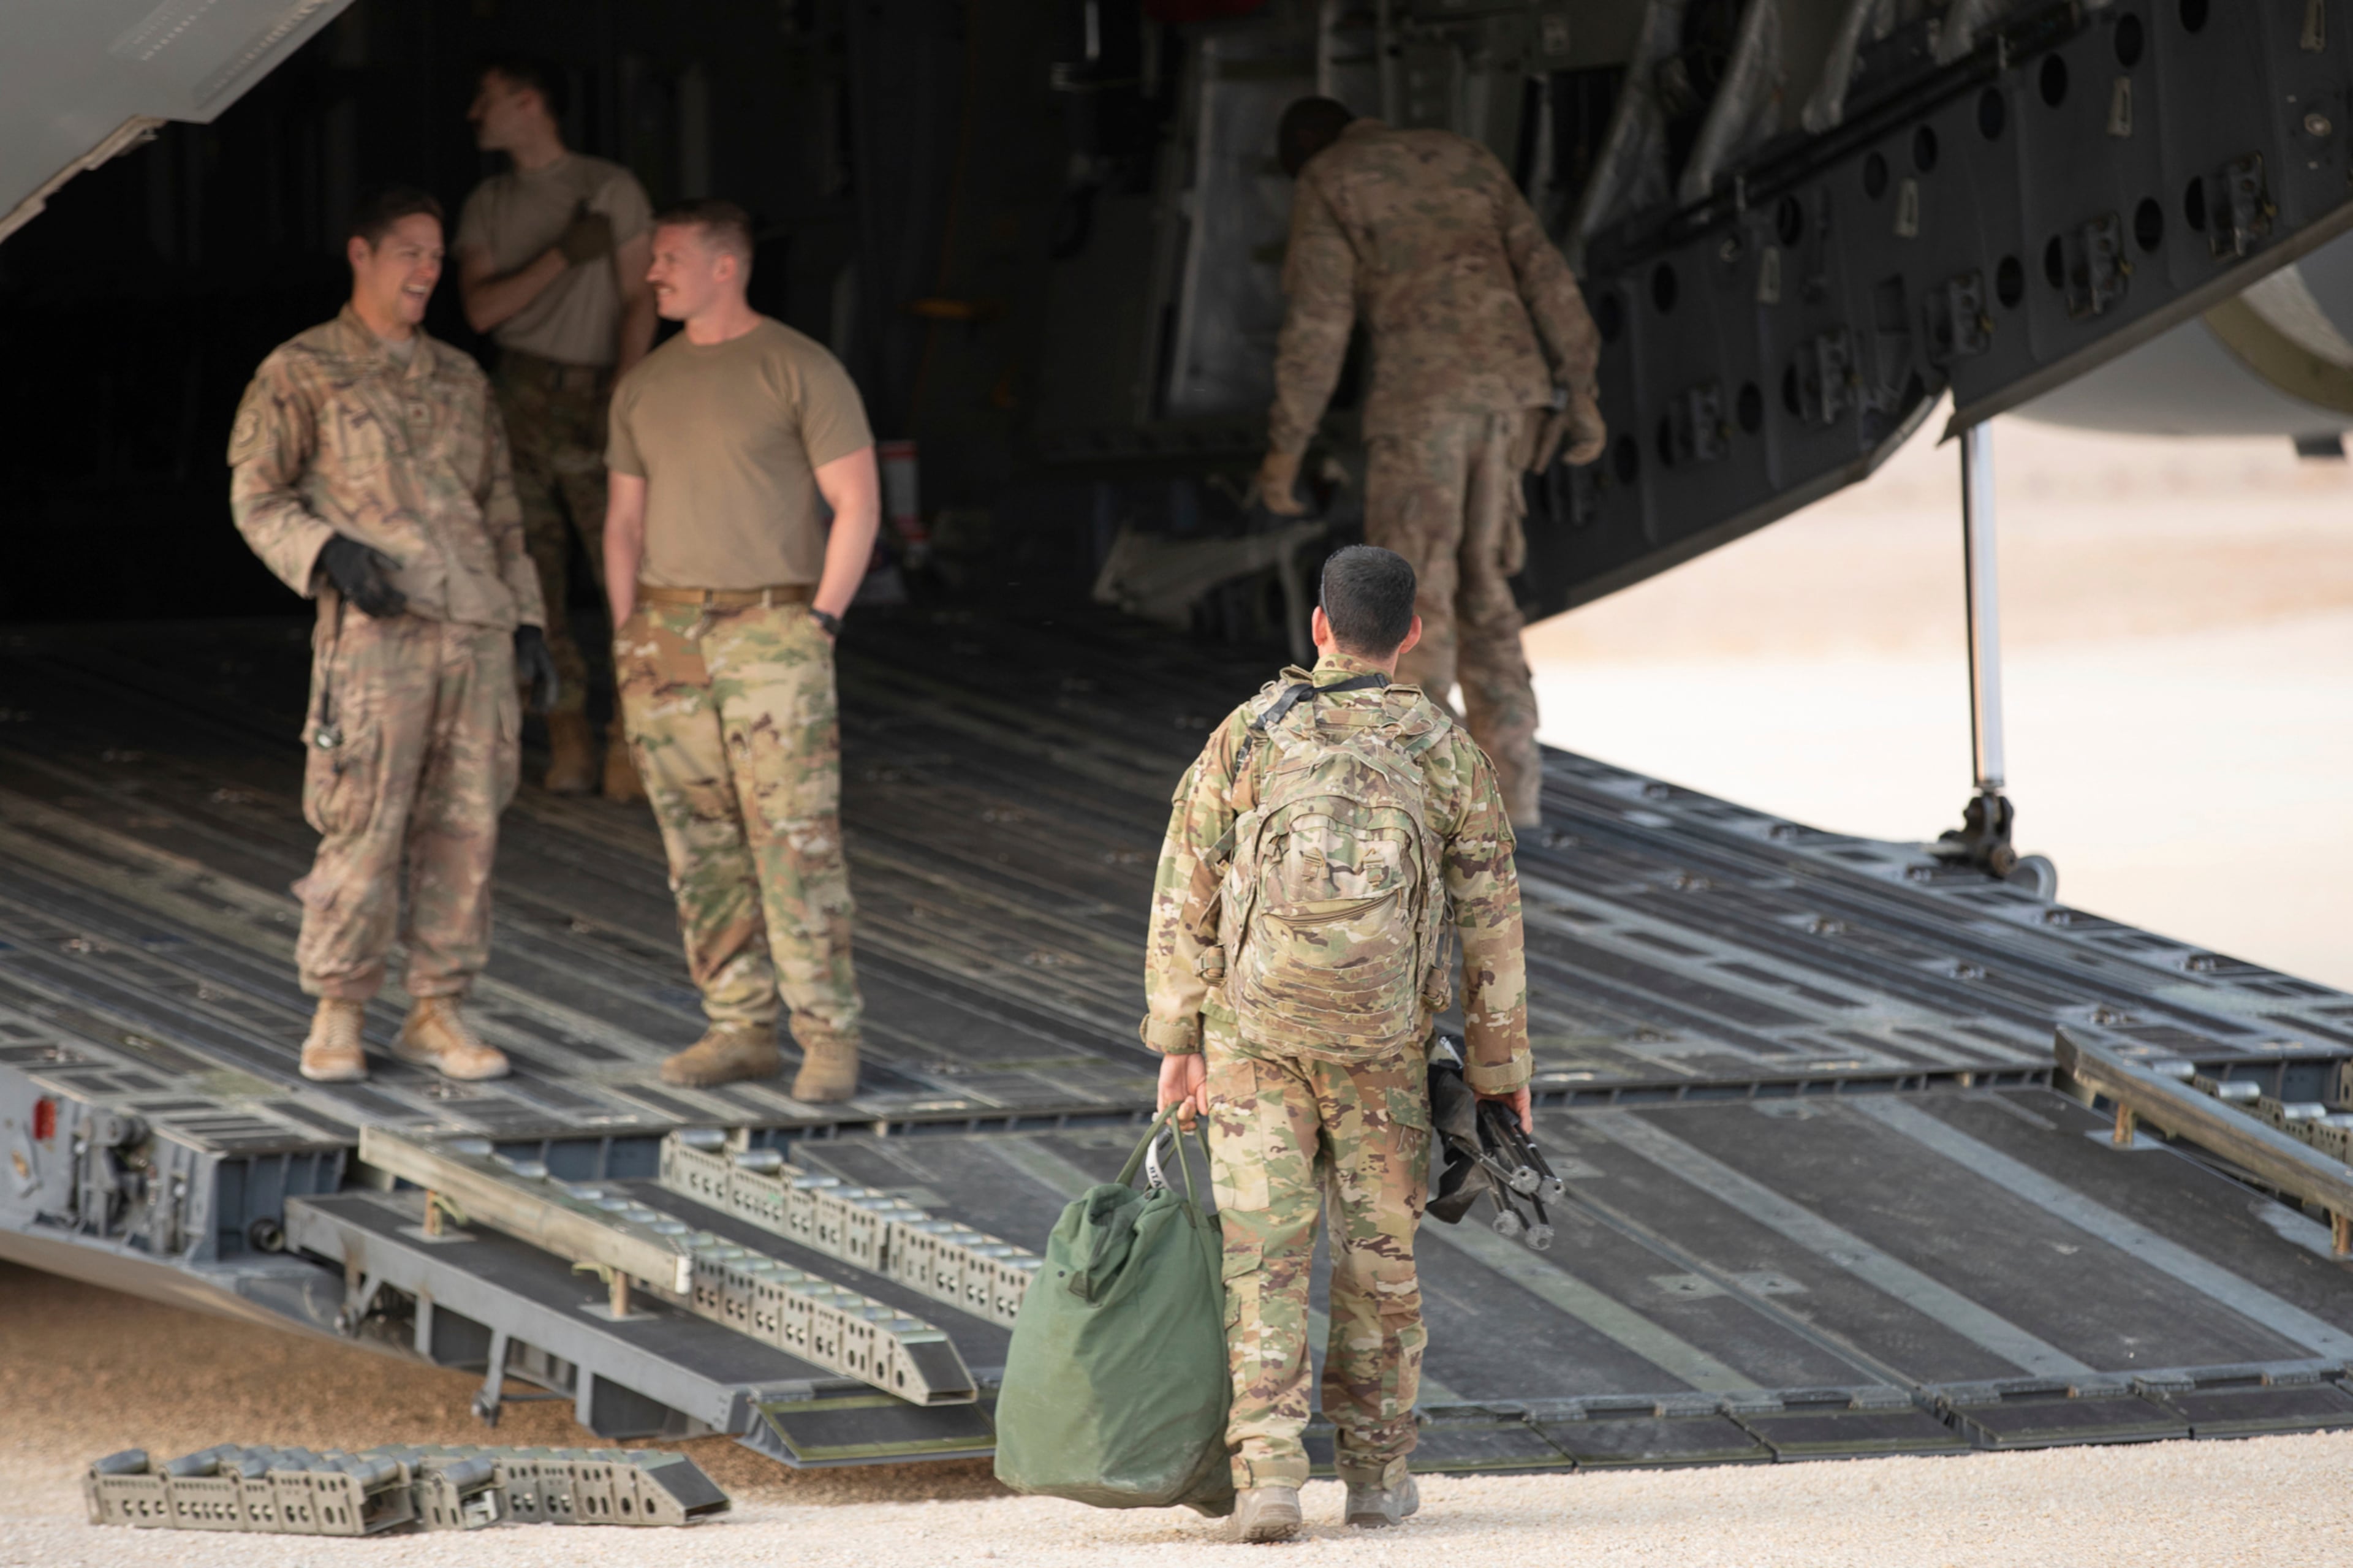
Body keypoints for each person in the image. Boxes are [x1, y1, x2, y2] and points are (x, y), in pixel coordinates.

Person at [1143, 545, 1532, 1540]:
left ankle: (1269, 1474)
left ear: (1318, 626)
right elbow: (1491, 915)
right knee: (1378, 1251)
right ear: (1411, 633)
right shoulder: (1441, 748)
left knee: (1264, 1252)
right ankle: (1374, 1472)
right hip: (1384, 1046)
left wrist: (1178, 1032)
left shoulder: (1252, 732)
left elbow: (1185, 876)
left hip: (1254, 1036)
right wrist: (1500, 1075)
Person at [228, 187, 558, 1085]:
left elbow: (502, 510)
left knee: (467, 827)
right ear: (361, 255)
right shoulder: (300, 370)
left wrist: (526, 618)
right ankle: (339, 1010)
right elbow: (257, 497)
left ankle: (437, 1008)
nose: (426, 270)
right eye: (410, 251)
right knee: (363, 822)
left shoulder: (461, 377)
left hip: (476, 634)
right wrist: (326, 549)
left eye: (437, 257)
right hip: (378, 641)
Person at [1254, 98, 1609, 830]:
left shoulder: (1330, 180)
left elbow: (1318, 327)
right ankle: (1515, 802)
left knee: (1412, 606)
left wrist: (1285, 450)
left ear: (1303, 152)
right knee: (1488, 591)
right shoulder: (1463, 155)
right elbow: (1546, 276)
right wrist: (1581, 395)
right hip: (1512, 399)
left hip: (1423, 405)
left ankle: (1421, 806)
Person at [604, 199, 879, 1099]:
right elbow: (623, 523)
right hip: (665, 636)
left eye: (670, 257)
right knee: (698, 842)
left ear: (728, 265)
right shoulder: (645, 382)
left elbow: (858, 505)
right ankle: (739, 1027)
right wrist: (628, 633)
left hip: (773, 629)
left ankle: (827, 1037)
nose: (653, 273)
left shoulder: (800, 368)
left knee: (793, 839)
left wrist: (823, 620)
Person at [457, 56, 656, 800]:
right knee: (531, 577)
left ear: (530, 101)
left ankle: (629, 742)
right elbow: (482, 311)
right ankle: (566, 735)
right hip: (521, 395)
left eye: (488, 98)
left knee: (625, 579)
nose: (476, 114)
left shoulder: (610, 188)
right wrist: (562, 256)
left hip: (597, 391)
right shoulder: (489, 201)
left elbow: (642, 298)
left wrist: (625, 396)